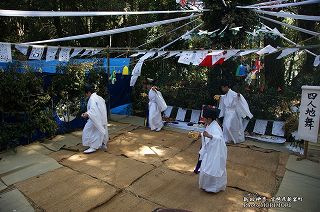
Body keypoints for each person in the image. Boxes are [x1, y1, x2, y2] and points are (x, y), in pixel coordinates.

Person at [198, 106, 227, 193]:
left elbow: (219, 138)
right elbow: (206, 134)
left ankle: (213, 188)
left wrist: (210, 136)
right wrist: (201, 134)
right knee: (206, 167)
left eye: (205, 118)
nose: (204, 120)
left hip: (215, 152)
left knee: (213, 168)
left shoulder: (215, 127)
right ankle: (206, 186)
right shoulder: (210, 124)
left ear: (209, 118)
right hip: (210, 150)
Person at [81, 85, 109, 154]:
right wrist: (88, 113)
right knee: (97, 131)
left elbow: (93, 110)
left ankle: (93, 147)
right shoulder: (98, 97)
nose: (85, 95)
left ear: (89, 92)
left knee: (88, 131)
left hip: (95, 119)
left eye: (86, 93)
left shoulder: (92, 99)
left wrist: (87, 114)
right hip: (99, 118)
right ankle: (101, 144)